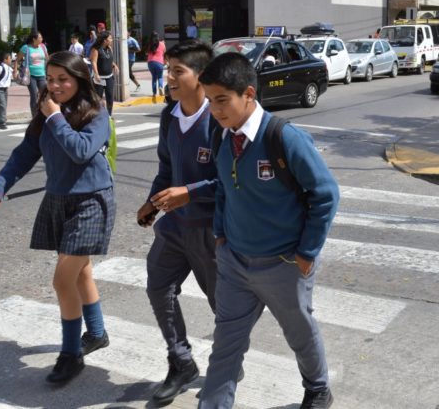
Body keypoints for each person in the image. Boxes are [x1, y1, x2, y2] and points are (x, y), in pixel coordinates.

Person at [197, 52, 340, 409]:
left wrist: (306, 253)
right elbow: (223, 189)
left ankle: (318, 387)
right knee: (225, 347)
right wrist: (220, 237)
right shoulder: (222, 136)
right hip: (234, 262)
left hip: (283, 264)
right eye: (209, 101)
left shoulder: (283, 137)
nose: (214, 110)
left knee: (299, 333)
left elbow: (325, 194)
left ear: (248, 93)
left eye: (221, 100)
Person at [0, 51, 115, 385]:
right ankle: (96, 333)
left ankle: (71, 355)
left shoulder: (97, 113)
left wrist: (54, 118)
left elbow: (80, 151)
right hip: (58, 198)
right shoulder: (47, 113)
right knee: (80, 272)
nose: (54, 85)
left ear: (80, 80)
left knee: (62, 279)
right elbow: (24, 154)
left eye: (62, 79)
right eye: (50, 79)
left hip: (91, 201)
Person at [136, 40, 219, 406]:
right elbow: (166, 168)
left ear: (199, 77)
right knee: (158, 288)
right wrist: (152, 202)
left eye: (176, 71)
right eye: (167, 69)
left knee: (224, 307)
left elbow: (233, 181)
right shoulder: (169, 116)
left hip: (212, 232)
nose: (168, 77)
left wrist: (189, 192)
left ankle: (228, 361)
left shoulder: (219, 119)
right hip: (173, 228)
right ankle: (181, 361)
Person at [14, 31, 50, 117]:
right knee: (34, 95)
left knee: (44, 94)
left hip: (42, 74)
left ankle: (44, 114)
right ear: (34, 39)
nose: (42, 39)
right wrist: (15, 71)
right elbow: (17, 60)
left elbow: (47, 59)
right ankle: (35, 116)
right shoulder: (26, 48)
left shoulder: (43, 47)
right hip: (30, 76)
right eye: (40, 38)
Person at [89, 31, 119, 115]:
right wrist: (96, 74)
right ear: (105, 40)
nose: (112, 40)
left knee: (110, 97)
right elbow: (94, 62)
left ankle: (109, 115)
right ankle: (98, 115)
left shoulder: (109, 48)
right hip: (100, 78)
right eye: (110, 38)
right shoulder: (96, 49)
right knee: (98, 98)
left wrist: (114, 65)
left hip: (109, 77)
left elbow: (109, 59)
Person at [147, 31, 167, 97]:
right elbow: (165, 54)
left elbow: (147, 53)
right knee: (160, 77)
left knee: (154, 77)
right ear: (158, 37)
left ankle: (154, 93)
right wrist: (165, 62)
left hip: (150, 63)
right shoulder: (162, 44)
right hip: (159, 62)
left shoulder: (150, 44)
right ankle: (160, 87)